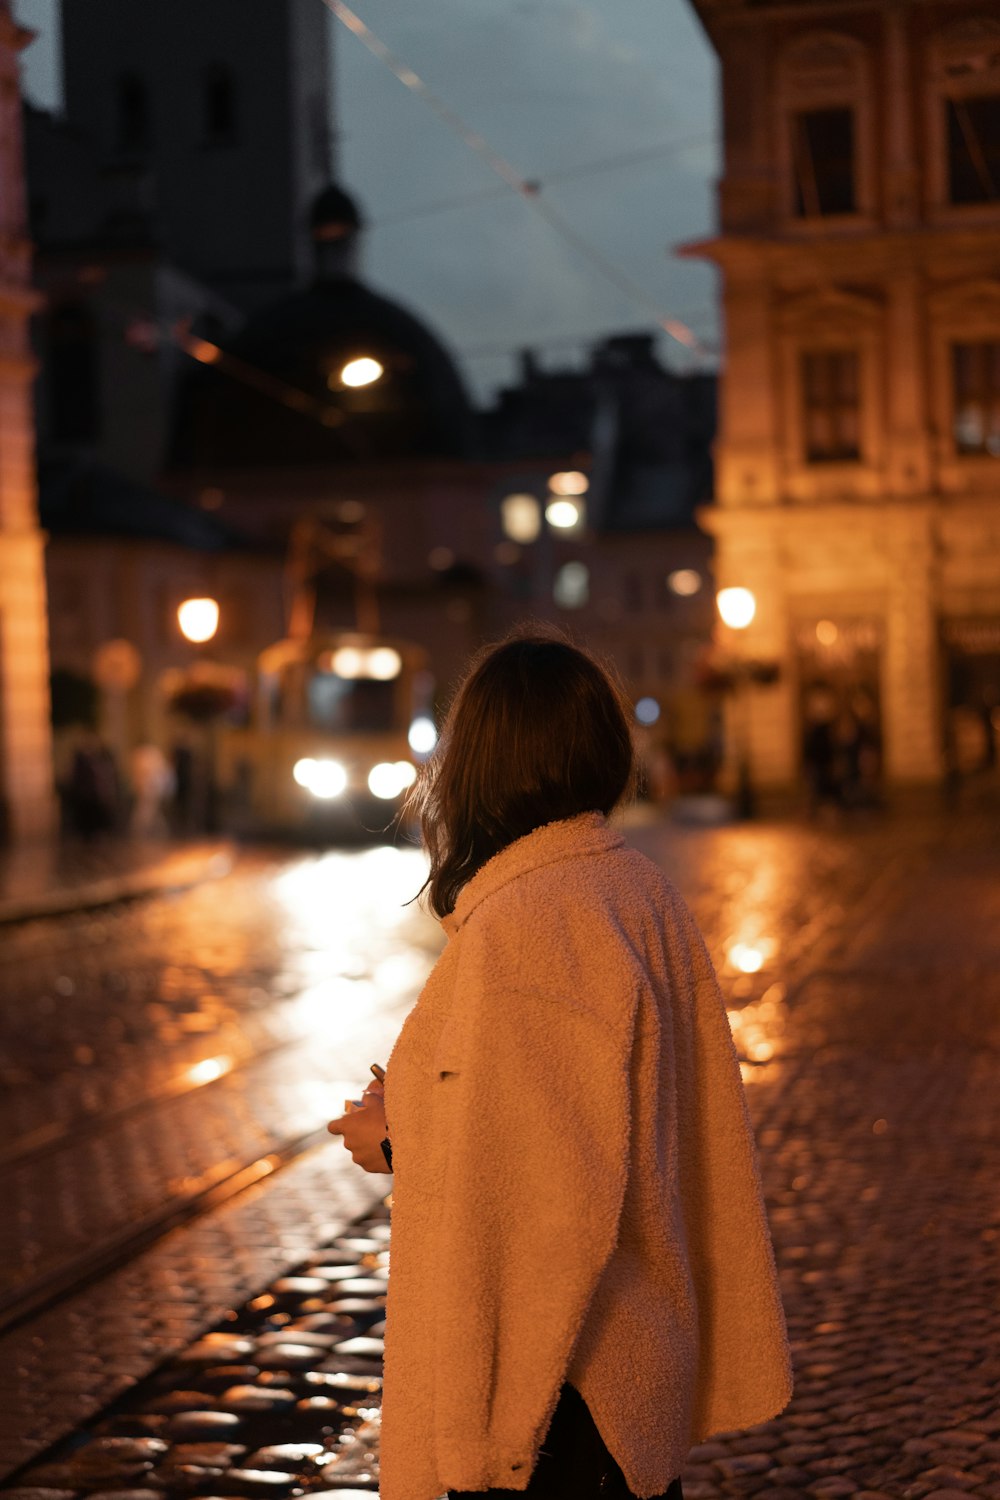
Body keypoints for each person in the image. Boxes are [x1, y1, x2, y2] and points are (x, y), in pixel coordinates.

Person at [328, 631, 792, 1500]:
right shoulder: (631, 886)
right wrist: (436, 1102)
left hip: (556, 1392)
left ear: (479, 767)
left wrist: (398, 1140)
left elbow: (543, 1192)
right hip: (627, 1365)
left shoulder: (529, 920)